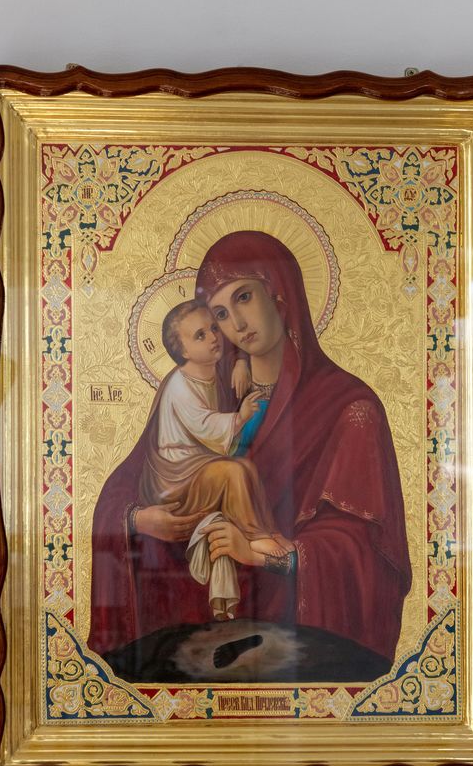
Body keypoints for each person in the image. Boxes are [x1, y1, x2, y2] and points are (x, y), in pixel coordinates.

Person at [89, 231, 411, 668]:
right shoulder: (203, 390)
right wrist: (142, 520)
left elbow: (365, 554)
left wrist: (259, 553)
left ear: (280, 293)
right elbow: (122, 492)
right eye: (220, 313)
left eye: (244, 297)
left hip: (297, 644)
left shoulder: (349, 408)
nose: (236, 324)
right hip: (192, 640)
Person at [140, 299, 292, 620]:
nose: (213, 337)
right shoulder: (179, 384)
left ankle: (266, 532)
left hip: (195, 467)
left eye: (213, 328)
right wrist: (241, 417)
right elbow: (205, 426)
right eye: (200, 335)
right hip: (174, 478)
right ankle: (256, 537)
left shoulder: (210, 375)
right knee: (232, 472)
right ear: (182, 350)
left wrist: (240, 363)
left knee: (244, 466)